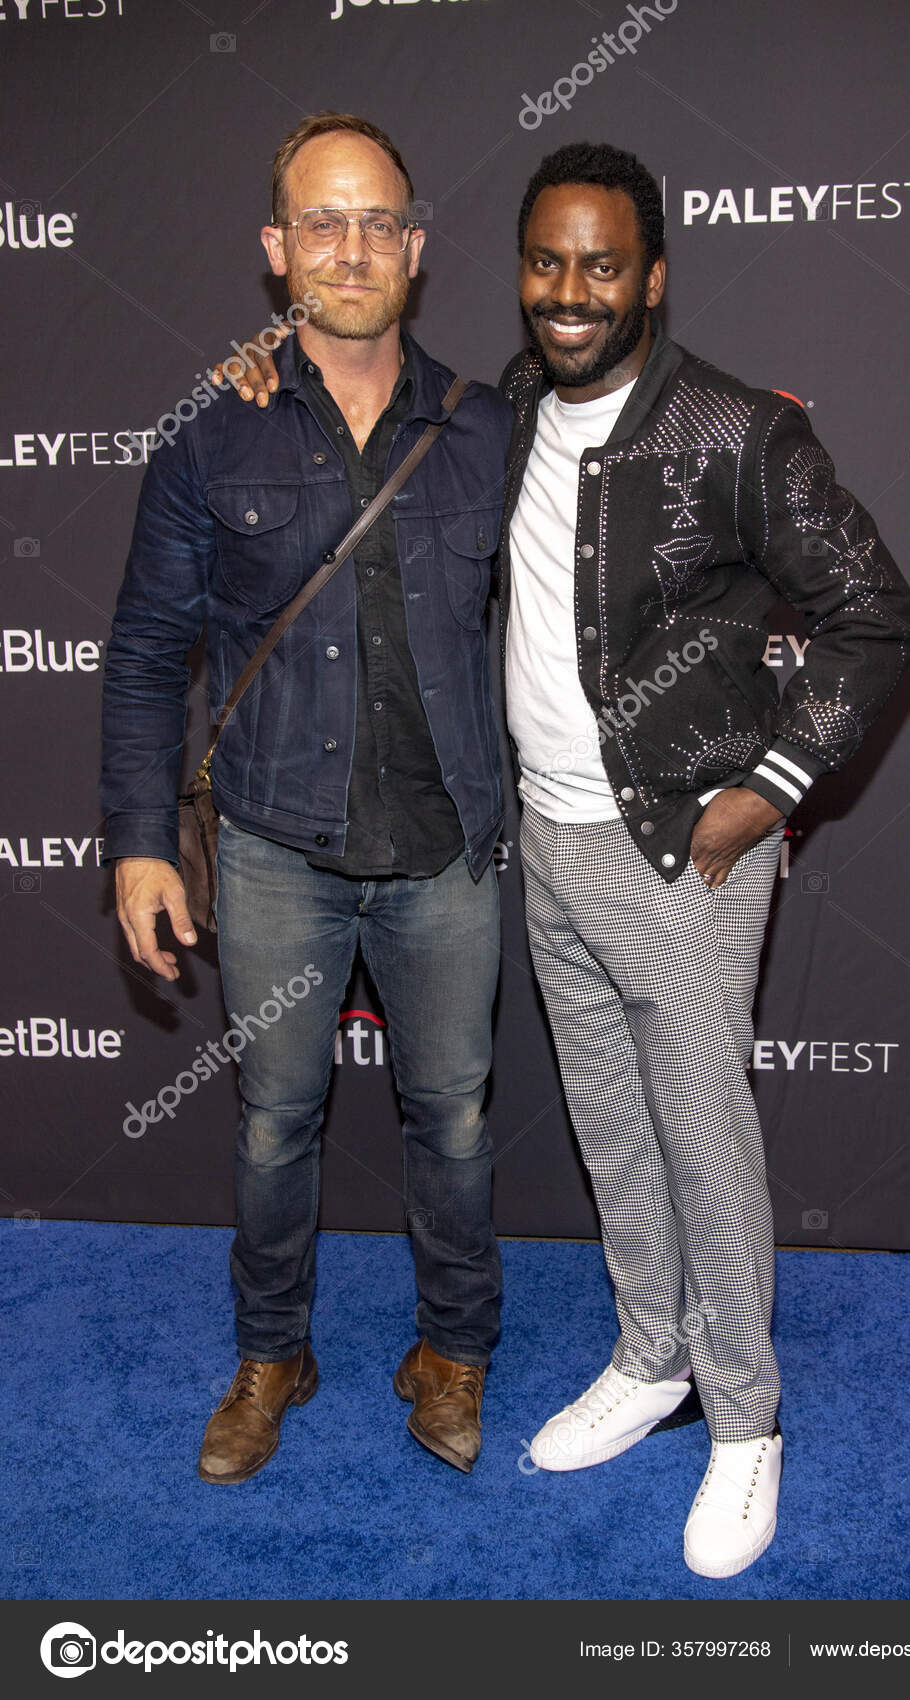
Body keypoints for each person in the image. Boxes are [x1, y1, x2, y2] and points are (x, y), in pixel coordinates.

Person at [224, 139, 910, 1578]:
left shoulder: (737, 431)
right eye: (547, 262)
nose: (571, 291)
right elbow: (352, 411)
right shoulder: (510, 408)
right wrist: (264, 366)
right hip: (542, 839)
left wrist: (771, 789)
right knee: (611, 1127)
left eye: (604, 266)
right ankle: (653, 1357)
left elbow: (875, 617)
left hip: (682, 848)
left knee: (705, 1142)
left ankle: (746, 1424)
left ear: (652, 276)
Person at [99, 112, 512, 1484]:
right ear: (277, 249)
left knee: (453, 1119)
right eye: (322, 222)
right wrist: (140, 844)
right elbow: (147, 656)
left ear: (416, 247)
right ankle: (272, 1352)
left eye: (378, 221)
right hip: (276, 848)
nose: (352, 247)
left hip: (447, 849)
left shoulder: (488, 428)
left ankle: (454, 1347)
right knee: (277, 1122)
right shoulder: (210, 437)